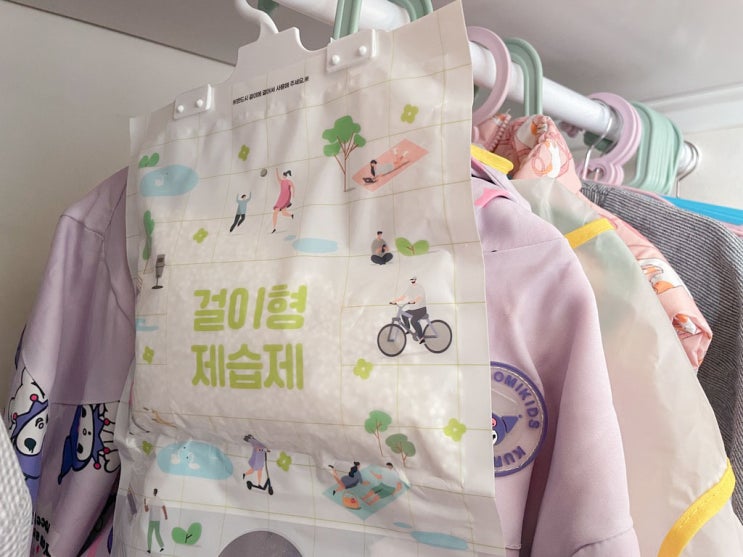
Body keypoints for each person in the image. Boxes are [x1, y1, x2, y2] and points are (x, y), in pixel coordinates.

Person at [392, 276, 427, 343]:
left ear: (416, 280)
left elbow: (420, 297)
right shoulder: (410, 288)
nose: (412, 281)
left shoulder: (420, 287)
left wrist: (414, 301)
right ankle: (408, 329)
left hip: (421, 309)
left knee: (413, 321)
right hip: (414, 309)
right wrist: (395, 301)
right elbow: (403, 297)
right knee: (404, 315)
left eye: (414, 280)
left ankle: (421, 337)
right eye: (411, 280)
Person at [144, 488, 168, 553]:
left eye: (154, 491)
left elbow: (163, 507)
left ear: (155, 492)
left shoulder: (156, 500)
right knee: (152, 534)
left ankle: (160, 547)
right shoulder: (152, 500)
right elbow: (146, 510)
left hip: (155, 520)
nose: (153, 492)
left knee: (154, 534)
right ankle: (151, 548)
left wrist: (165, 515)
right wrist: (145, 503)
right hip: (153, 520)